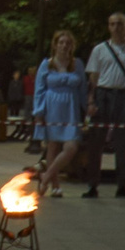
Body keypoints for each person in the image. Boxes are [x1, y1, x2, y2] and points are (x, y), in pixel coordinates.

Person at [84, 11, 125, 199]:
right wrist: (91, 100)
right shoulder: (100, 49)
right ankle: (92, 185)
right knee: (96, 142)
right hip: (103, 94)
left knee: (123, 143)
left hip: (124, 96)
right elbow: (93, 77)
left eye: (120, 24)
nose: (116, 28)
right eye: (112, 24)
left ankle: (122, 185)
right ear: (108, 27)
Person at [31, 30, 89, 195]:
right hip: (52, 109)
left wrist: (87, 108)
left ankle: (46, 176)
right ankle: (55, 186)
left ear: (72, 46)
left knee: (71, 147)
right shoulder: (47, 64)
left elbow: (83, 89)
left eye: (68, 43)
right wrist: (39, 112)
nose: (64, 46)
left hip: (71, 109)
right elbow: (39, 90)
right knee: (53, 146)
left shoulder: (77, 64)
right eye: (61, 42)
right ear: (55, 45)